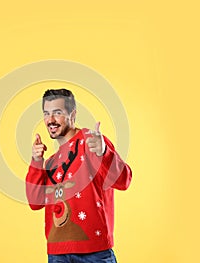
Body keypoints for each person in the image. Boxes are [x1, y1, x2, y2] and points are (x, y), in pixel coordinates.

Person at [26, 88, 132, 263]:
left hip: (94, 252)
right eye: (46, 113)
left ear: (72, 114)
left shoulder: (92, 142)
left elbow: (124, 181)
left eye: (57, 113)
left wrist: (104, 152)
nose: (50, 120)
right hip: (56, 253)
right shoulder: (51, 162)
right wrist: (36, 161)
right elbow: (35, 202)